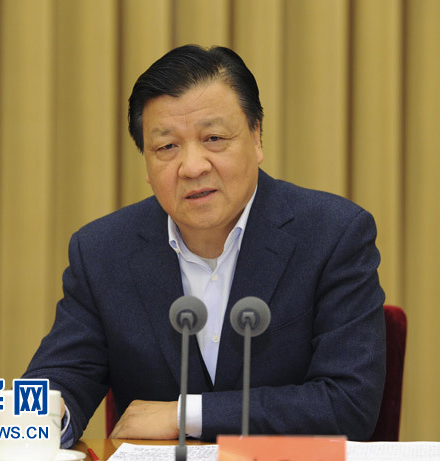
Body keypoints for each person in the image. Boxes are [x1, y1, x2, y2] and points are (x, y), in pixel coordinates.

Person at [23, 44, 386, 445]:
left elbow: (348, 403)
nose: (193, 167)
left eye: (213, 138)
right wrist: (42, 422)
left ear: (256, 137)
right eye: (167, 147)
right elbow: (62, 375)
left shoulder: (333, 234)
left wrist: (186, 415)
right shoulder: (102, 251)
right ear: (146, 162)